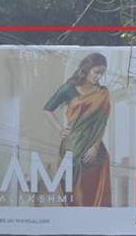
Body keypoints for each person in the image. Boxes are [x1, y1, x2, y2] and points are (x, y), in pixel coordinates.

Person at [42, 52, 112, 206]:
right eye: (96, 72)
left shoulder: (103, 93)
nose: (98, 77)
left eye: (102, 73)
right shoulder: (69, 89)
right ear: (86, 69)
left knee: (92, 192)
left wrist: (95, 146)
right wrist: (60, 129)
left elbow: (102, 123)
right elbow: (48, 109)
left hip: (95, 149)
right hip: (72, 145)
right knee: (71, 189)